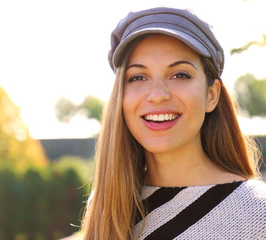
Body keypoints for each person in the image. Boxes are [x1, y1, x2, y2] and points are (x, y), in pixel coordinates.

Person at [81, 7, 266, 240]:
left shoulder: (258, 214)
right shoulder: (104, 207)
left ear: (211, 95)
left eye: (180, 74)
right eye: (137, 77)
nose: (157, 95)